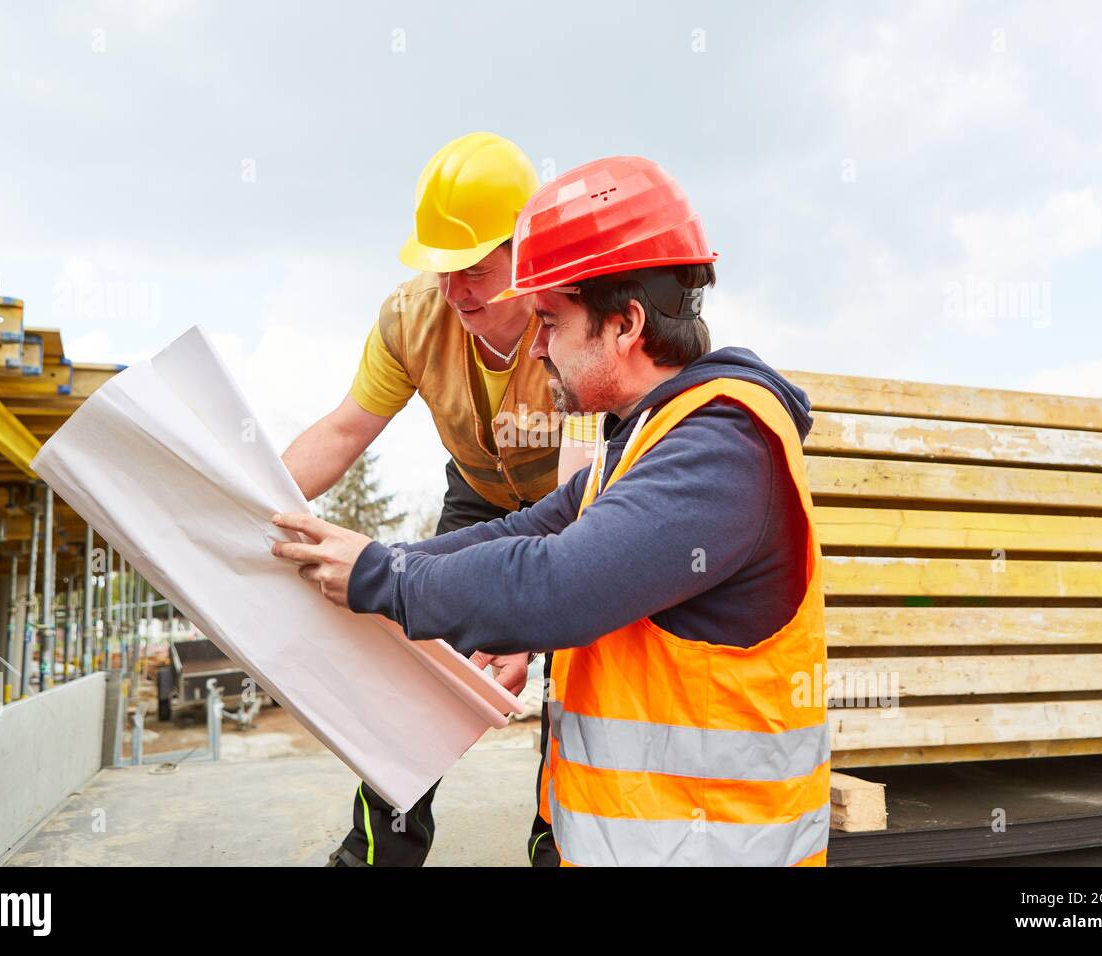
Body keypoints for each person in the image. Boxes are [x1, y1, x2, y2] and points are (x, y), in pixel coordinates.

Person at [272, 155, 829, 866]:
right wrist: (355, 560)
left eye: (552, 322)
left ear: (625, 324)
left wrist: (382, 577)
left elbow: (557, 582)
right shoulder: (648, 440)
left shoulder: (719, 447)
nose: (536, 348)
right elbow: (526, 527)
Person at [280, 131, 593, 867]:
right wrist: (251, 500)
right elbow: (343, 429)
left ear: (528, 251)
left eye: (475, 270)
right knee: (414, 657)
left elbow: (582, 492)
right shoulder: (410, 319)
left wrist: (524, 628)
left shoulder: (573, 317)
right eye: (441, 271)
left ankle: (560, 846)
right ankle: (377, 853)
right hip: (479, 501)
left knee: (578, 665)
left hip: (573, 509)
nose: (455, 292)